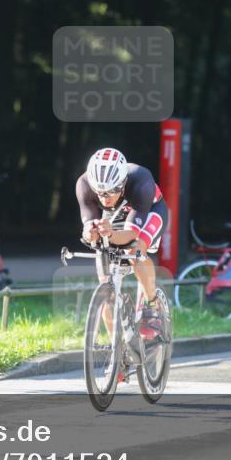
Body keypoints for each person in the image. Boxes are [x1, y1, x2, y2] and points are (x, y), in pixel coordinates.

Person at [76, 148, 169, 358]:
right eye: (100, 193)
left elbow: (129, 234)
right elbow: (87, 225)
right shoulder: (84, 185)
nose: (104, 198)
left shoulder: (141, 181)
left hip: (149, 211)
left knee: (135, 250)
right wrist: (91, 232)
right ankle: (116, 350)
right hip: (115, 217)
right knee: (105, 284)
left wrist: (109, 233)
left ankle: (152, 305)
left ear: (122, 183)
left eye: (110, 192)